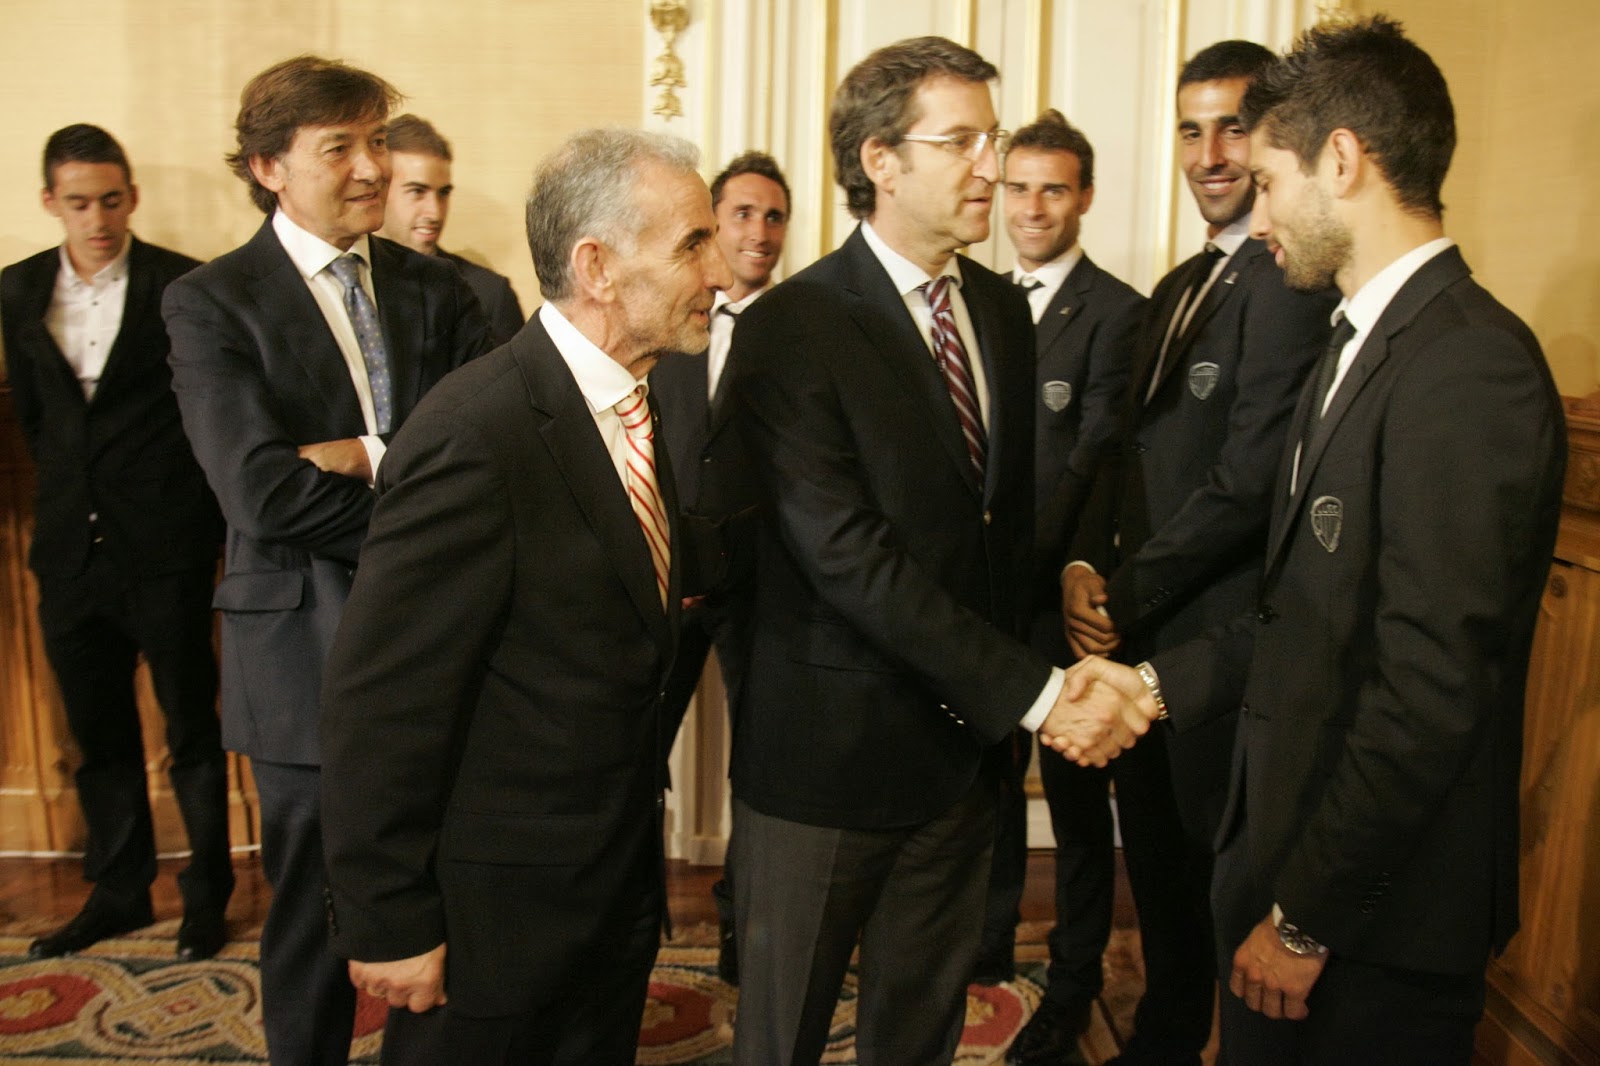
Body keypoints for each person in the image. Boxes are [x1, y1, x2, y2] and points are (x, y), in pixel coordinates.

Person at [1070, 15, 1566, 1063]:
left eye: (1268, 182)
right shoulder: (1356, 345)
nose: (1257, 219)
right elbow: (1303, 614)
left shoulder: (1469, 368)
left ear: (1340, 161)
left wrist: (1306, 919)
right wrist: (1154, 685)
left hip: (1368, 921)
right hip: (1295, 869)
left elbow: (1426, 692)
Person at [725, 36, 1158, 1066]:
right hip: (827, 762)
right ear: (880, 159)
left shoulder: (999, 309)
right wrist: (1041, 695)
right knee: (781, 1038)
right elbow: (848, 558)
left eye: (990, 139)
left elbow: (996, 524)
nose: (989, 167)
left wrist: (1045, 620)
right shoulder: (791, 326)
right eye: (960, 141)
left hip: (962, 761)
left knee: (918, 1034)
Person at [319, 127, 731, 1065]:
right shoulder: (476, 431)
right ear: (597, 267)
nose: (718, 270)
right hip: (494, 923)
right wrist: (387, 916)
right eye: (692, 244)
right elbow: (381, 699)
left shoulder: (631, 400)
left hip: (606, 892)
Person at [162, 56, 489, 1064]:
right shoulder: (210, 302)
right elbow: (261, 494)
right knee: (312, 917)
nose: (372, 167)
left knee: (441, 907)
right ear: (268, 167)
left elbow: (483, 458)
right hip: (300, 655)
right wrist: (420, 505)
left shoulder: (447, 289)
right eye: (339, 146)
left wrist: (368, 452)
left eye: (377, 140)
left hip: (444, 646)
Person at [1054, 40, 1336, 1065]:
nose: (1210, 153)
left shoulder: (1290, 280)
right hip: (1141, 631)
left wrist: (1123, 595)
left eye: (1233, 128)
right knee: (1161, 875)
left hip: (1219, 643)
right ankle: (1166, 1038)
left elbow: (1250, 479)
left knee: (1224, 887)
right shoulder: (1177, 284)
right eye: (1190, 128)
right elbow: (1123, 451)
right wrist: (1082, 568)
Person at [2, 124, 229, 962]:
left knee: (191, 730)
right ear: (49, 202)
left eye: (109, 200)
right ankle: (121, 891)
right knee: (97, 738)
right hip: (69, 555)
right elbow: (38, 421)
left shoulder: (184, 285)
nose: (97, 220)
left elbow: (204, 415)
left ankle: (208, 895)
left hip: (166, 549)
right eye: (78, 203)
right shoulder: (18, 289)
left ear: (131, 197)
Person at [977, 105, 1144, 1041]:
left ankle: (1076, 977)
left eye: (1052, 190)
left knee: (1078, 804)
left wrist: (1040, 567)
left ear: (1084, 198)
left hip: (1063, 603)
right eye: (1018, 188)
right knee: (988, 785)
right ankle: (986, 950)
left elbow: (1095, 460)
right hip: (984, 602)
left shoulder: (1120, 313)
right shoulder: (979, 300)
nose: (1032, 208)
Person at [649, 147, 791, 985]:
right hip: (667, 581)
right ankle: (636, 917)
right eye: (742, 213)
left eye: (774, 216)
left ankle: (745, 937)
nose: (759, 231)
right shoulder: (668, 315)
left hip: (765, 589)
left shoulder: (806, 329)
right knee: (635, 752)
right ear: (713, 224)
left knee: (760, 767)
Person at [378, 113, 525, 346]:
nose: (435, 213)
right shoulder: (351, 288)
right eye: (417, 192)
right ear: (379, 189)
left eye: (443, 193)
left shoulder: (487, 293)